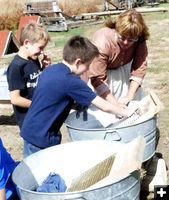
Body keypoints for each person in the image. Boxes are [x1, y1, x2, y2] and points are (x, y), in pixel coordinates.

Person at [20, 35, 136, 158]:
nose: (88, 69)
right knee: (44, 174)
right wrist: (125, 112)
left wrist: (73, 104)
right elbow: (104, 106)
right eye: (88, 65)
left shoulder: (52, 69)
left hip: (31, 130)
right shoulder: (71, 81)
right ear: (78, 62)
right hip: (41, 138)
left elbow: (53, 97)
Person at [83, 9, 150, 107]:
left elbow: (139, 69)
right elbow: (98, 78)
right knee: (104, 110)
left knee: (132, 104)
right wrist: (114, 105)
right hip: (98, 74)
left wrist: (129, 96)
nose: (126, 42)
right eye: (122, 37)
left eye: (131, 39)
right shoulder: (102, 43)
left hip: (122, 70)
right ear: (116, 29)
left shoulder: (139, 39)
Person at [7, 22, 51, 129]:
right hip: (29, 121)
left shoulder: (33, 59)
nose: (41, 52)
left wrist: (44, 68)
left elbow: (36, 80)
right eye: (40, 48)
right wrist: (39, 105)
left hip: (40, 115)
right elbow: (15, 99)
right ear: (27, 43)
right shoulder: (16, 67)